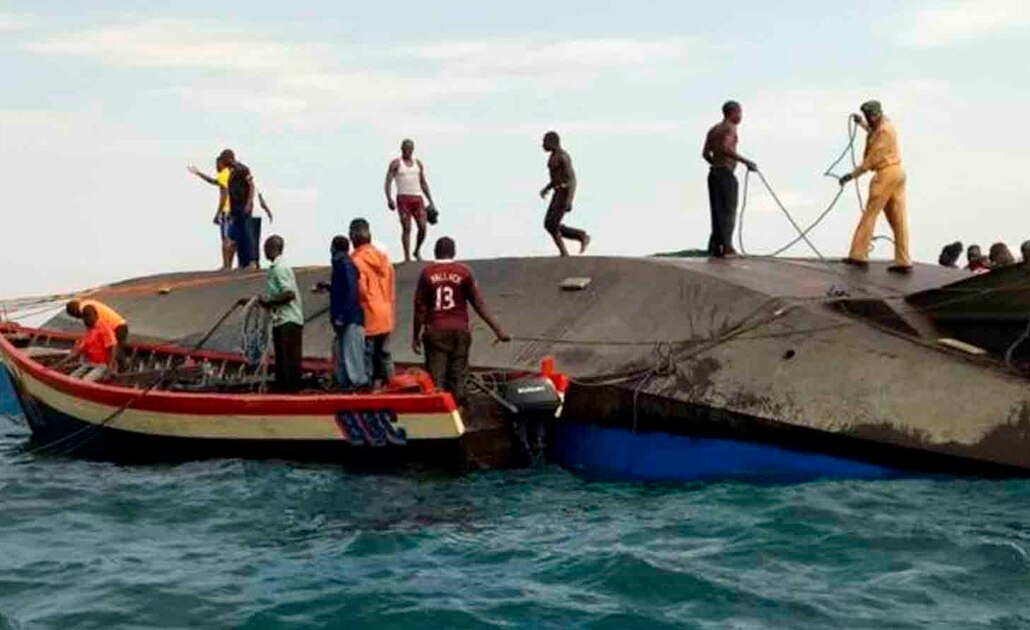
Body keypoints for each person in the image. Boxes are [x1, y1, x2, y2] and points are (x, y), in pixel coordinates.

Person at [413, 237, 509, 405]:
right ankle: (461, 413)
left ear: (435, 252)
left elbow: (420, 308)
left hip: (436, 332)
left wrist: (415, 335)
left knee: (436, 380)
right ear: (454, 252)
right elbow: (479, 304)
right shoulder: (464, 272)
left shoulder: (427, 273)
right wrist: (498, 330)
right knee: (458, 378)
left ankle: (440, 416)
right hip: (460, 332)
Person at [839, 101, 911, 274]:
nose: (869, 120)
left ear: (874, 115)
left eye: (868, 118)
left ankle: (859, 255)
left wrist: (852, 175)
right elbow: (874, 132)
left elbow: (871, 159)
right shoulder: (886, 125)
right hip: (898, 172)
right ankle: (903, 260)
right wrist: (861, 124)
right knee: (898, 219)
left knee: (870, 214)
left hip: (885, 173)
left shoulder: (884, 131)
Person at [702, 100, 757, 259]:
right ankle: (727, 246)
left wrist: (716, 165)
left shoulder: (713, 130)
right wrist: (746, 162)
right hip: (725, 174)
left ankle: (717, 245)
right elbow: (726, 148)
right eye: (739, 112)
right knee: (728, 210)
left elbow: (706, 154)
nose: (741, 116)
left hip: (714, 174)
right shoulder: (730, 128)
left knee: (717, 211)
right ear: (732, 112)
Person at [314, 235, 368, 391]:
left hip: (350, 318)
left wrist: (342, 316)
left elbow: (351, 292)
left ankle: (358, 385)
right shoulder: (343, 265)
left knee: (352, 355)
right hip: (347, 317)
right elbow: (344, 289)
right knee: (343, 355)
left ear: (334, 247)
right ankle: (347, 385)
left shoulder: (345, 265)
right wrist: (328, 286)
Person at [254, 235, 304, 392]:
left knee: (288, 361)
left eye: (265, 249)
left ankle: (289, 391)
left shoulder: (280, 269)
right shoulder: (276, 269)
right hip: (281, 320)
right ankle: (283, 388)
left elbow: (289, 294)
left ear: (271, 249)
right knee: (283, 360)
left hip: (288, 320)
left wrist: (268, 302)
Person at [350, 218, 396, 386]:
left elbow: (360, 290)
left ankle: (367, 391)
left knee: (366, 356)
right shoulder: (384, 259)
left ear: (353, 237)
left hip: (368, 315)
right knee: (384, 354)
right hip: (385, 314)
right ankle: (393, 386)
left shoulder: (356, 261)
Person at [384, 139, 437, 262]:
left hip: (417, 198)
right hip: (403, 198)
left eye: (410, 148)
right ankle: (407, 257)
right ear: (401, 149)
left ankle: (417, 250)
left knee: (423, 227)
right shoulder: (396, 163)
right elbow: (388, 182)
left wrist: (431, 201)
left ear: (413, 149)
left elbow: (423, 182)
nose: (407, 150)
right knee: (407, 228)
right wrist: (389, 198)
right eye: (405, 148)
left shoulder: (418, 164)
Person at [540, 131, 590, 257]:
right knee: (549, 224)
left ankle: (578, 239)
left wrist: (569, 199)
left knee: (553, 224)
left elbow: (571, 179)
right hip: (557, 192)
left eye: (545, 142)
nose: (543, 145)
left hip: (564, 192)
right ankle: (578, 238)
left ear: (553, 142)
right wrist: (547, 188)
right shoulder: (553, 157)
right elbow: (556, 178)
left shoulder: (563, 157)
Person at [187, 156, 236, 270]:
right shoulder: (229, 173)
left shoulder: (224, 174)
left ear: (222, 163)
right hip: (233, 209)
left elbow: (224, 194)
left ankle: (226, 265)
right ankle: (229, 264)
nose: (216, 167)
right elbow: (214, 182)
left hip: (226, 209)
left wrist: (218, 212)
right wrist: (199, 174)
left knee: (226, 238)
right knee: (232, 238)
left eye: (217, 164)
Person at [59, 305, 118, 381]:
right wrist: (61, 363)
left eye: (89, 316)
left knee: (86, 380)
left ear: (96, 315)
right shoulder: (89, 330)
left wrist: (109, 370)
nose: (87, 320)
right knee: (71, 378)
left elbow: (113, 347)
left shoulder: (104, 328)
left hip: (103, 365)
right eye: (85, 317)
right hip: (91, 363)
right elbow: (78, 351)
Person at [66, 299, 128, 363]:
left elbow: (92, 327)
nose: (78, 318)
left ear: (75, 311)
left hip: (117, 327)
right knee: (115, 350)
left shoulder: (86, 309)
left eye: (76, 316)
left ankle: (120, 368)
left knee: (116, 352)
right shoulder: (87, 303)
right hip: (118, 325)